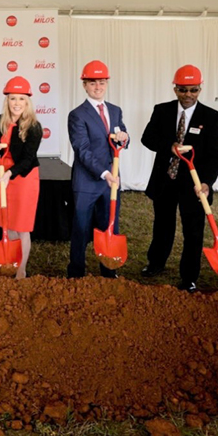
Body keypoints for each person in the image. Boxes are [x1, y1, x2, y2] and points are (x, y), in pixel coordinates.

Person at [141, 65, 218, 292]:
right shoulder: (162, 110)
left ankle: (189, 277)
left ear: (200, 89)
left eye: (193, 90)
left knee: (193, 231)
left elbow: (217, 155)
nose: (188, 94)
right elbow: (147, 138)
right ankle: (156, 263)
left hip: (194, 184)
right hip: (166, 179)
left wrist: (207, 182)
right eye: (183, 89)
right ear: (175, 89)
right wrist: (169, 147)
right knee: (162, 224)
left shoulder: (212, 117)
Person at [67, 60, 129, 278]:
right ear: (84, 85)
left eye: (102, 82)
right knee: (81, 228)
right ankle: (76, 273)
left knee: (109, 225)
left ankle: (109, 271)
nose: (98, 87)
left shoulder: (115, 110)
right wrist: (104, 173)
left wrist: (124, 137)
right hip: (87, 181)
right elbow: (82, 150)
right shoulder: (77, 114)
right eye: (92, 83)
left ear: (107, 84)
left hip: (111, 181)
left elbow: (122, 138)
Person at [0, 76, 42, 279]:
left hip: (23, 179)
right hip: (4, 177)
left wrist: (9, 174)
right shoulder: (0, 121)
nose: (17, 103)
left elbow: (28, 160)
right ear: (7, 100)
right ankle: (10, 262)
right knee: (8, 222)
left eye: (21, 99)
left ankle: (21, 269)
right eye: (13, 98)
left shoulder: (34, 127)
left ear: (27, 102)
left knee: (22, 226)